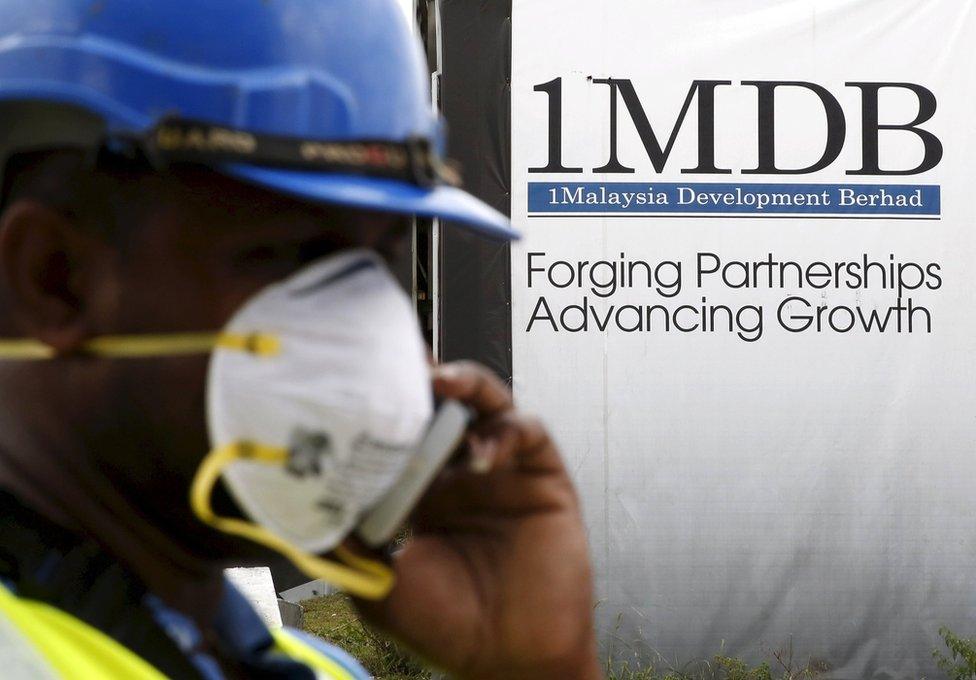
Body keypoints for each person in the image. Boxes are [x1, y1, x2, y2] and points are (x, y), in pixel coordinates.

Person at [0, 1, 602, 679]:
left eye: (376, 262)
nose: (358, 332)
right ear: (54, 279)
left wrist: (537, 668)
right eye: (292, 253)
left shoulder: (311, 670)